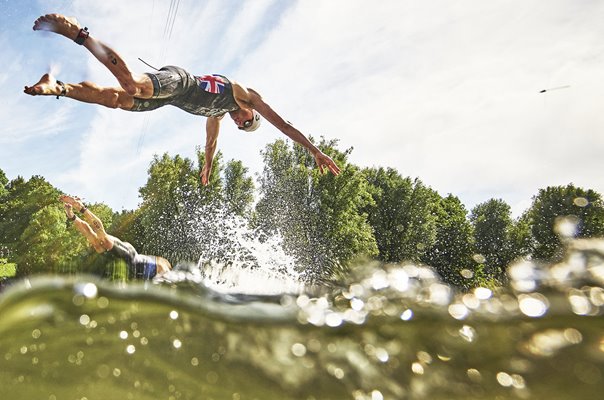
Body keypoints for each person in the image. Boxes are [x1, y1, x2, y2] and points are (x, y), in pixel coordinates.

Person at [25, 14, 341, 185]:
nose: (239, 122)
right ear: (252, 114)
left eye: (241, 127)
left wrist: (207, 168)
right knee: (132, 86)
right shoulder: (247, 96)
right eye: (246, 122)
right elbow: (284, 125)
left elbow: (210, 144)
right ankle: (76, 31)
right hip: (178, 80)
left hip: (168, 98)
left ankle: (58, 86)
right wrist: (314, 151)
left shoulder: (218, 115)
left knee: (115, 100)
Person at [61, 195, 171, 280]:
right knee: (103, 238)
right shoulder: (165, 268)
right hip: (130, 257)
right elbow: (163, 270)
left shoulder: (161, 270)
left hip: (123, 262)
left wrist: (71, 216)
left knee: (96, 242)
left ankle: (72, 216)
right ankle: (80, 207)